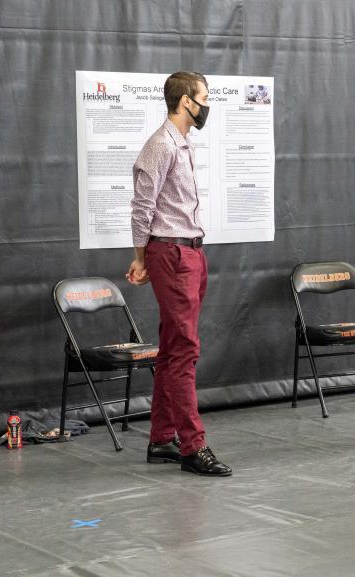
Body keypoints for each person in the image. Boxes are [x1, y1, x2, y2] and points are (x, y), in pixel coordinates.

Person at [126, 71, 231, 477]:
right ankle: (192, 446)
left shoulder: (181, 143)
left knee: (173, 347)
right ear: (186, 101)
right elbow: (142, 207)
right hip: (170, 253)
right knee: (185, 349)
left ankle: (161, 438)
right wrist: (142, 257)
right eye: (204, 98)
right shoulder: (160, 145)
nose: (207, 105)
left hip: (189, 252)